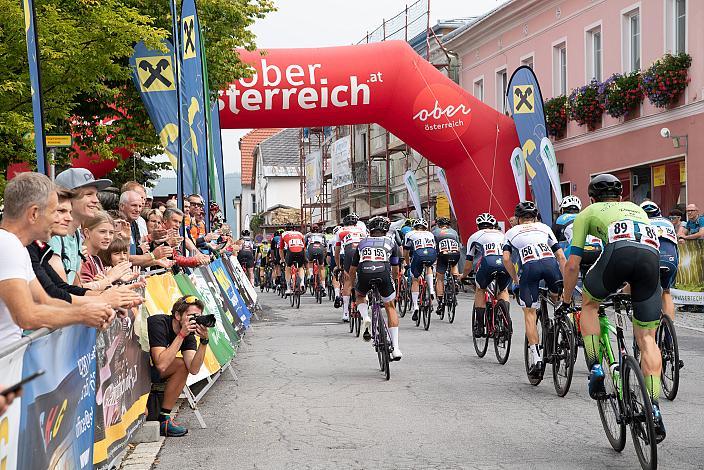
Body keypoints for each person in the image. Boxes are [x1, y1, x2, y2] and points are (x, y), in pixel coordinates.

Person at [559, 174, 666, 442]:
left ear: (592, 197)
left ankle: (595, 367)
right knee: (647, 339)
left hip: (619, 256)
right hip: (650, 260)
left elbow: (573, 265)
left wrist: (565, 299)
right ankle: (653, 407)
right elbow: (639, 253)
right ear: (620, 197)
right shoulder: (638, 209)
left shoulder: (588, 211)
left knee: (590, 305)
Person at [0, 173, 115, 346]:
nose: (60, 219)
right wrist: (83, 314)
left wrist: (98, 307)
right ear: (33, 214)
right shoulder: (7, 243)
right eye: (55, 212)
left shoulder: (17, 247)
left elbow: (47, 300)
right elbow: (27, 316)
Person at [503, 201, 565, 377]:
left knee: (530, 314)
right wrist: (564, 281)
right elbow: (560, 255)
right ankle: (564, 323)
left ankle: (537, 358)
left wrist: (515, 279)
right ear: (536, 217)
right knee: (558, 298)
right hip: (550, 264)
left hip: (529, 268)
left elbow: (507, 259)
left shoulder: (511, 232)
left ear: (518, 219)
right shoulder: (544, 228)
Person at [147, 295, 209, 437]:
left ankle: (164, 419)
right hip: (137, 370)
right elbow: (161, 364)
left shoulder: (189, 335)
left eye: (198, 317)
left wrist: (204, 341)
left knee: (182, 366)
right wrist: (181, 335)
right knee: (178, 363)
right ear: (177, 315)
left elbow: (193, 369)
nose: (194, 321)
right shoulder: (158, 323)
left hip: (152, 371)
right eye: (191, 316)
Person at [348, 216, 402, 360]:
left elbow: (353, 270)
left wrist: (353, 286)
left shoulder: (362, 243)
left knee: (360, 296)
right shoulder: (391, 242)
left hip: (364, 271)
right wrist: (394, 282)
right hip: (383, 271)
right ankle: (396, 348)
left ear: (370, 230)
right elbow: (396, 270)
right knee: (390, 306)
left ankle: (365, 317)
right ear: (385, 230)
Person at [49, 168, 112, 284]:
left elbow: (76, 286)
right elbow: (62, 291)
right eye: (89, 194)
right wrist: (108, 280)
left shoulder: (77, 235)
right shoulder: (53, 236)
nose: (96, 200)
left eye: (96, 195)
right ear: (67, 198)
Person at [640, 201, 682, 369]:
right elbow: (676, 248)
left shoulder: (641, 223)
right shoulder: (667, 222)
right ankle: (669, 335)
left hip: (651, 259)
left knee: (641, 289)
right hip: (670, 260)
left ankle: (648, 332)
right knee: (666, 292)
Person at [464, 213, 511, 337]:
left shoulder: (474, 236)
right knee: (503, 290)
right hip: (505, 263)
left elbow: (468, 265)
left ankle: (480, 326)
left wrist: (463, 276)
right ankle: (506, 321)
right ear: (493, 225)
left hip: (488, 263)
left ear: (478, 226)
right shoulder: (503, 235)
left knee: (480, 289)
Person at [79, 211, 134, 287]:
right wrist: (110, 278)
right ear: (87, 233)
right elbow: (82, 292)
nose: (107, 237)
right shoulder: (82, 258)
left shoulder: (96, 258)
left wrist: (117, 279)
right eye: (102, 232)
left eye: (111, 233)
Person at [333, 214, 367, 320]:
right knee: (363, 278)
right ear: (356, 223)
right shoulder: (362, 229)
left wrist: (338, 266)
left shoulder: (340, 231)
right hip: (363, 252)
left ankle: (346, 313)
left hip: (349, 252)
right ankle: (365, 302)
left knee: (347, 281)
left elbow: (337, 251)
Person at [403, 218, 437, 322]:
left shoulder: (410, 234)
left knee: (415, 280)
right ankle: (431, 290)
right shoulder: (430, 234)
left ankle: (415, 306)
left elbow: (406, 252)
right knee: (429, 267)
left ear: (414, 227)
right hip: (431, 253)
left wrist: (408, 264)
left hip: (418, 254)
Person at [432, 217, 461, 316]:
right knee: (454, 263)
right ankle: (455, 280)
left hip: (443, 254)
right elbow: (458, 244)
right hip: (455, 253)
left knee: (439, 279)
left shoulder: (435, 231)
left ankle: (440, 303)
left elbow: (433, 246)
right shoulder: (454, 232)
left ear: (438, 225)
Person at [280, 223, 306, 295]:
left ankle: (288, 288)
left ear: (285, 229)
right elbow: (304, 247)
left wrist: (282, 260)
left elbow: (281, 249)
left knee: (287, 267)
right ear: (294, 229)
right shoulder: (300, 234)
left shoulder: (284, 234)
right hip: (301, 251)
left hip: (291, 251)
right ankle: (302, 283)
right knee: (300, 267)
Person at [304, 224, 327, 293]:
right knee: (322, 267)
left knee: (310, 261)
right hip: (320, 248)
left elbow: (304, 245)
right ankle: (323, 286)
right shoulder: (322, 235)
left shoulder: (308, 235)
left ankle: (310, 275)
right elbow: (325, 246)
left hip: (311, 248)